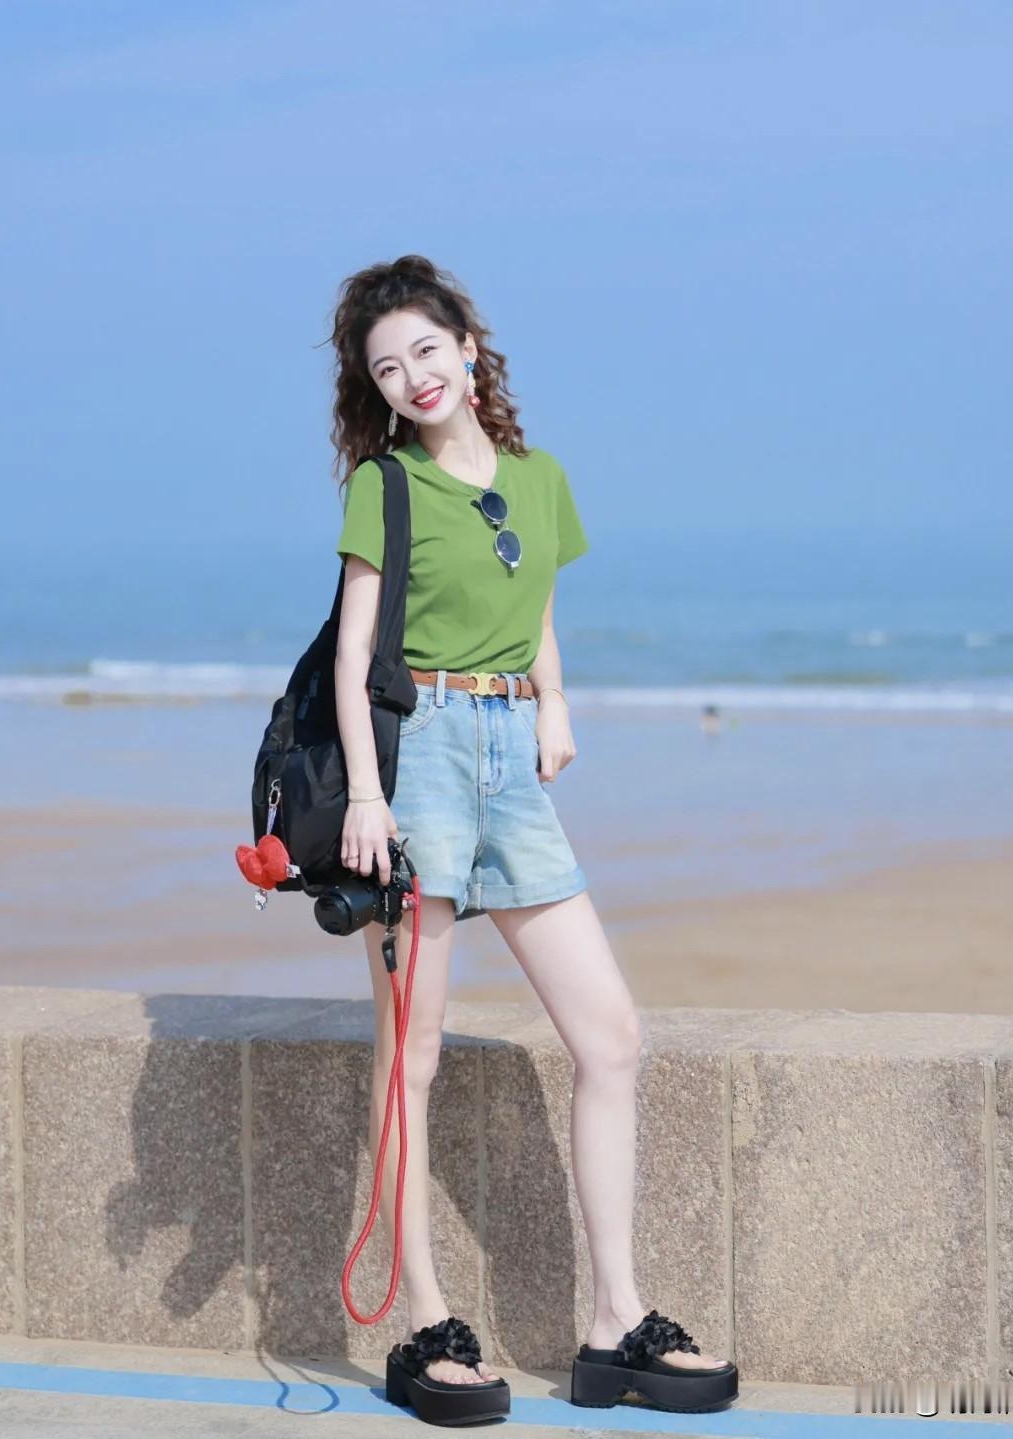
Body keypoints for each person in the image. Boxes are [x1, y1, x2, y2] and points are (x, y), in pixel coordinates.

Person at [328, 254, 736, 1422]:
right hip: (419, 760)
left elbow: (540, 602)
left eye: (426, 349)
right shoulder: (386, 487)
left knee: (611, 1035)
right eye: (386, 366)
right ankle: (425, 1322)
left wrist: (554, 700)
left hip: (512, 759)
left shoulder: (540, 477)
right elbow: (354, 656)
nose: (412, 376)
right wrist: (367, 796)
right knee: (411, 1055)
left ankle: (614, 1320)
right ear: (374, 387)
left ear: (469, 345)